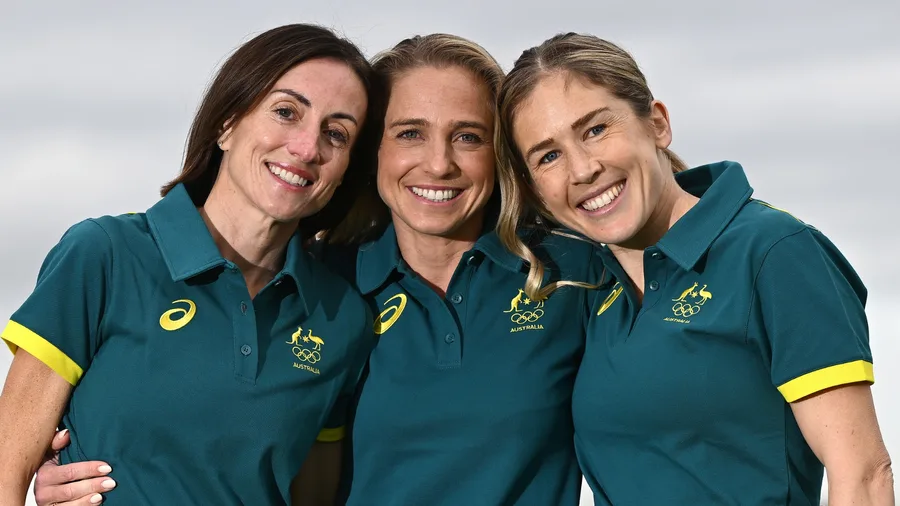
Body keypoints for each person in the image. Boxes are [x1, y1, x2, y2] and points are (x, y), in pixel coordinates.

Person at [30, 33, 600, 506]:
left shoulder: (574, 270)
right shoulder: (321, 286)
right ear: (372, 153)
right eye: (408, 134)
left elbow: (654, 408)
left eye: (468, 137)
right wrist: (63, 482)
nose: (438, 163)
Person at [495, 32, 894, 505]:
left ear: (658, 124)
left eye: (596, 129)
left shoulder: (774, 252)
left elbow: (864, 475)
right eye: (549, 156)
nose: (582, 169)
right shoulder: (586, 282)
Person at [0, 23, 384, 506]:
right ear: (227, 123)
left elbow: (313, 495)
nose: (308, 148)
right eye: (286, 112)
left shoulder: (343, 317)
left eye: (337, 133)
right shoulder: (105, 254)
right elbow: (5, 475)